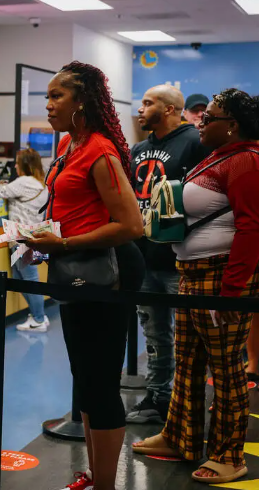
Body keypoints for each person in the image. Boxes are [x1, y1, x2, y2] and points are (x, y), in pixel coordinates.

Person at [27, 61, 143, 490]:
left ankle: (107, 485)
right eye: (48, 96)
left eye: (57, 96)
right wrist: (41, 238)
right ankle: (97, 476)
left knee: (101, 384)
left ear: (82, 102)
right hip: (76, 269)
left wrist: (65, 244)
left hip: (107, 271)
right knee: (86, 382)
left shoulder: (100, 151)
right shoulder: (67, 146)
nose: (48, 104)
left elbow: (132, 225)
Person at [133, 89, 259, 485]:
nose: (200, 121)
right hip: (193, 275)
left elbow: (251, 229)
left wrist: (231, 293)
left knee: (226, 369)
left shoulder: (246, 160)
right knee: (188, 362)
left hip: (220, 278)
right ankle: (180, 437)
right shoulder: (218, 156)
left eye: (210, 117)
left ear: (232, 125)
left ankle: (228, 455)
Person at [126, 85, 212, 424]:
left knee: (190, 338)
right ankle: (158, 397)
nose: (141, 109)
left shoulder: (195, 143)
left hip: (180, 259)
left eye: (148, 103)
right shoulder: (138, 149)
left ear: (170, 109)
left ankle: (185, 403)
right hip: (144, 257)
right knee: (155, 334)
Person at [0, 148, 50, 332]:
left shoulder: (24, 182)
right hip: (33, 236)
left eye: (17, 162)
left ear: (25, 165)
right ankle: (38, 315)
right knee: (18, 277)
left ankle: (38, 319)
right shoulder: (41, 184)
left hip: (22, 239)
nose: (14, 166)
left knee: (29, 279)